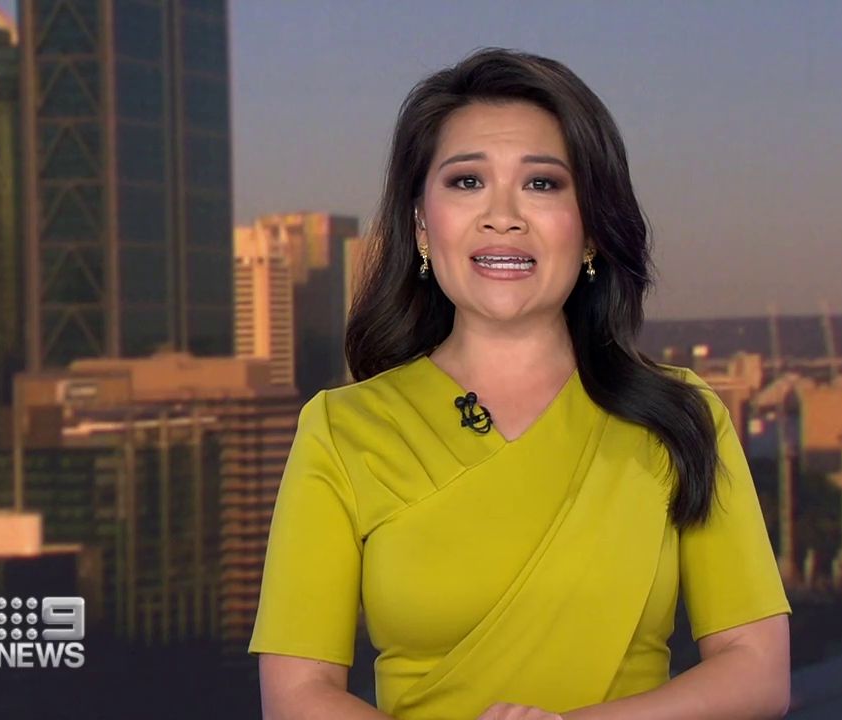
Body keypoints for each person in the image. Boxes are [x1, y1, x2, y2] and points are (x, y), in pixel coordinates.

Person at [249, 48, 791, 720]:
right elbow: (298, 696)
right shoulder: (341, 429)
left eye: (541, 184)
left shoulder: (680, 417)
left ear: (591, 229)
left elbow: (756, 669)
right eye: (466, 181)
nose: (501, 215)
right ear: (421, 224)